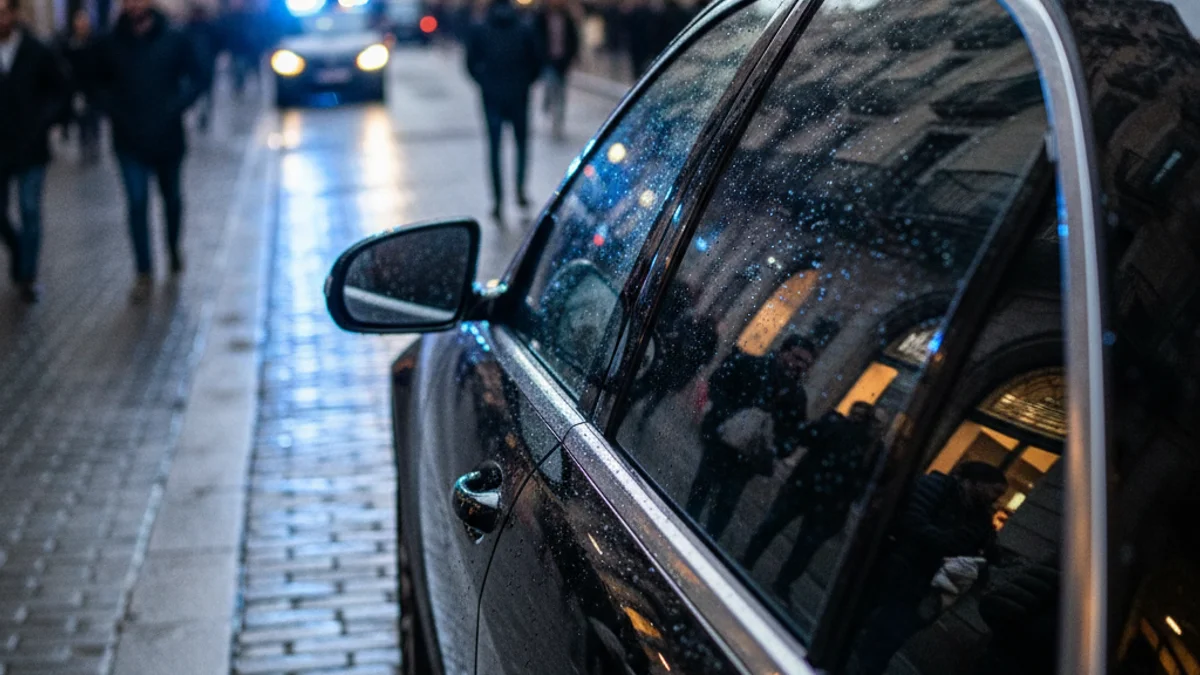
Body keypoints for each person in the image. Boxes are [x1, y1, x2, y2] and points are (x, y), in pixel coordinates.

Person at [93, 0, 208, 302]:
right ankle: (143, 269)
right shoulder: (111, 42)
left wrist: (176, 107)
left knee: (171, 198)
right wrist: (114, 111)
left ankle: (172, 248)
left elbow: (198, 77)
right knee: (136, 202)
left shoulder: (173, 37)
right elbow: (95, 84)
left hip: (167, 137)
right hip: (129, 140)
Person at [850, 461, 1008, 675]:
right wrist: (950, 542)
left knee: (891, 632)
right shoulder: (936, 486)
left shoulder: (979, 515)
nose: (996, 497)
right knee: (860, 614)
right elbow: (915, 524)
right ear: (977, 482)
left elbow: (984, 547)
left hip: (921, 578)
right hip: (894, 562)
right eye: (995, 490)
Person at [742, 401, 882, 599]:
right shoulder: (869, 446)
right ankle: (781, 582)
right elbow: (863, 481)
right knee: (802, 547)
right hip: (827, 503)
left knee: (774, 527)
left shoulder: (838, 427)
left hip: (805, 488)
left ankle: (750, 561)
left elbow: (806, 437)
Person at [686, 335, 816, 540]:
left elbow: (793, 435)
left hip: (747, 460)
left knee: (726, 504)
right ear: (783, 352)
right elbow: (718, 385)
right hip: (722, 443)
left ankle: (708, 541)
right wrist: (727, 419)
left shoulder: (797, 397)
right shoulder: (750, 364)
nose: (800, 366)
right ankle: (686, 529)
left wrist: (773, 448)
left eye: (807, 364)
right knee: (701, 488)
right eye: (797, 358)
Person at [0, 0, 70, 303]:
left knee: (30, 209)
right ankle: (17, 249)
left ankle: (27, 275)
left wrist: (43, 121)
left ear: (14, 14)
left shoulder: (37, 50)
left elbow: (60, 90)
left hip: (30, 146)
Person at [465, 0, 543, 221]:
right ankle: (520, 191)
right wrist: (524, 82)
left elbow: (470, 64)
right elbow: (536, 62)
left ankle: (498, 200)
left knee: (494, 150)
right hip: (518, 96)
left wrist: (485, 83)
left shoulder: (480, 29)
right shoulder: (524, 28)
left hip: (492, 98)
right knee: (521, 146)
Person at [58, 8, 102, 163]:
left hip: (94, 89)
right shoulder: (70, 43)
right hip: (78, 89)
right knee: (82, 120)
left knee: (94, 119)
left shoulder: (95, 42)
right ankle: (85, 147)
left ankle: (94, 144)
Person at [533, 0, 578, 140]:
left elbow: (573, 39)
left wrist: (572, 56)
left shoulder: (567, 17)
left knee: (561, 94)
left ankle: (558, 122)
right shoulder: (541, 17)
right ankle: (552, 118)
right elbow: (536, 39)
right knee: (552, 89)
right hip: (549, 62)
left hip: (562, 62)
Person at [185, 3, 221, 131]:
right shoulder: (188, 29)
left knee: (205, 96)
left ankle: (203, 116)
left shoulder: (208, 28)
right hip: (195, 69)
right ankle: (200, 115)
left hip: (206, 67)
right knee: (199, 95)